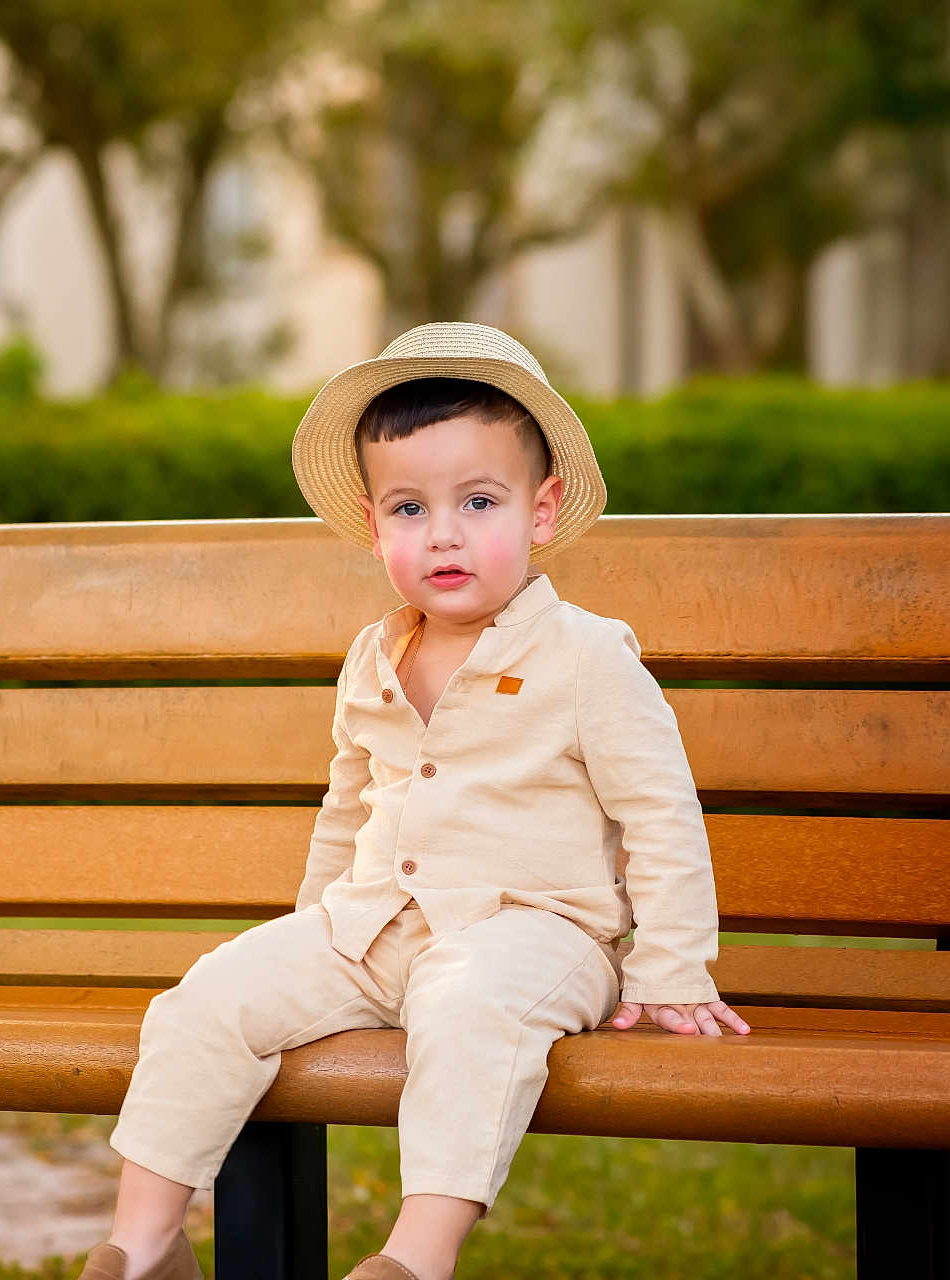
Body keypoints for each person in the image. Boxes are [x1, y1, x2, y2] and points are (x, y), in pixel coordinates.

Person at [75, 321, 751, 1280]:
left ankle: (414, 1260)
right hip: (377, 926)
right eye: (408, 508)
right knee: (207, 996)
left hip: (537, 937)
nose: (442, 533)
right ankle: (142, 1247)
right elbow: (348, 805)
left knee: (471, 1006)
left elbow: (661, 814)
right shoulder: (374, 655)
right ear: (374, 521)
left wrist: (672, 966)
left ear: (543, 509)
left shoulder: (586, 655)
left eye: (478, 501)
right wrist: (314, 929)